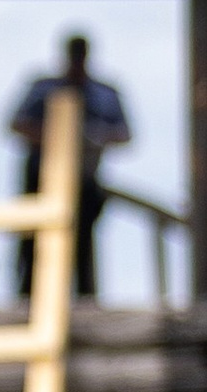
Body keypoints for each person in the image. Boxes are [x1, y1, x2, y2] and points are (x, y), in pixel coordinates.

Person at [9, 33, 131, 298]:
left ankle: (85, 301)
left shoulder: (105, 93)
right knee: (33, 243)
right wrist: (56, 137)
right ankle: (27, 301)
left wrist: (89, 138)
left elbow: (124, 134)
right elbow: (17, 124)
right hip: (39, 180)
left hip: (84, 181)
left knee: (82, 242)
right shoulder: (43, 88)